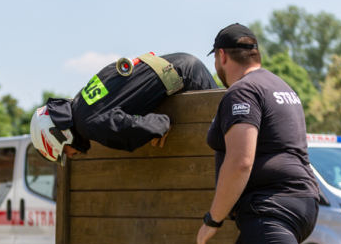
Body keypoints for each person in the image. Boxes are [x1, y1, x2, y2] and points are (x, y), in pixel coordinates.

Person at [197, 24, 324, 244]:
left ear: (222, 57)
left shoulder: (242, 92)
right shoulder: (282, 88)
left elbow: (240, 162)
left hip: (270, 208)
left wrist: (212, 220)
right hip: (296, 201)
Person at [30, 52, 218, 162]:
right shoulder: (81, 102)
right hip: (181, 65)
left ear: (62, 135)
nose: (70, 156)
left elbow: (133, 128)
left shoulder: (87, 124)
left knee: (226, 140)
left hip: (185, 76)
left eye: (64, 152)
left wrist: (159, 125)